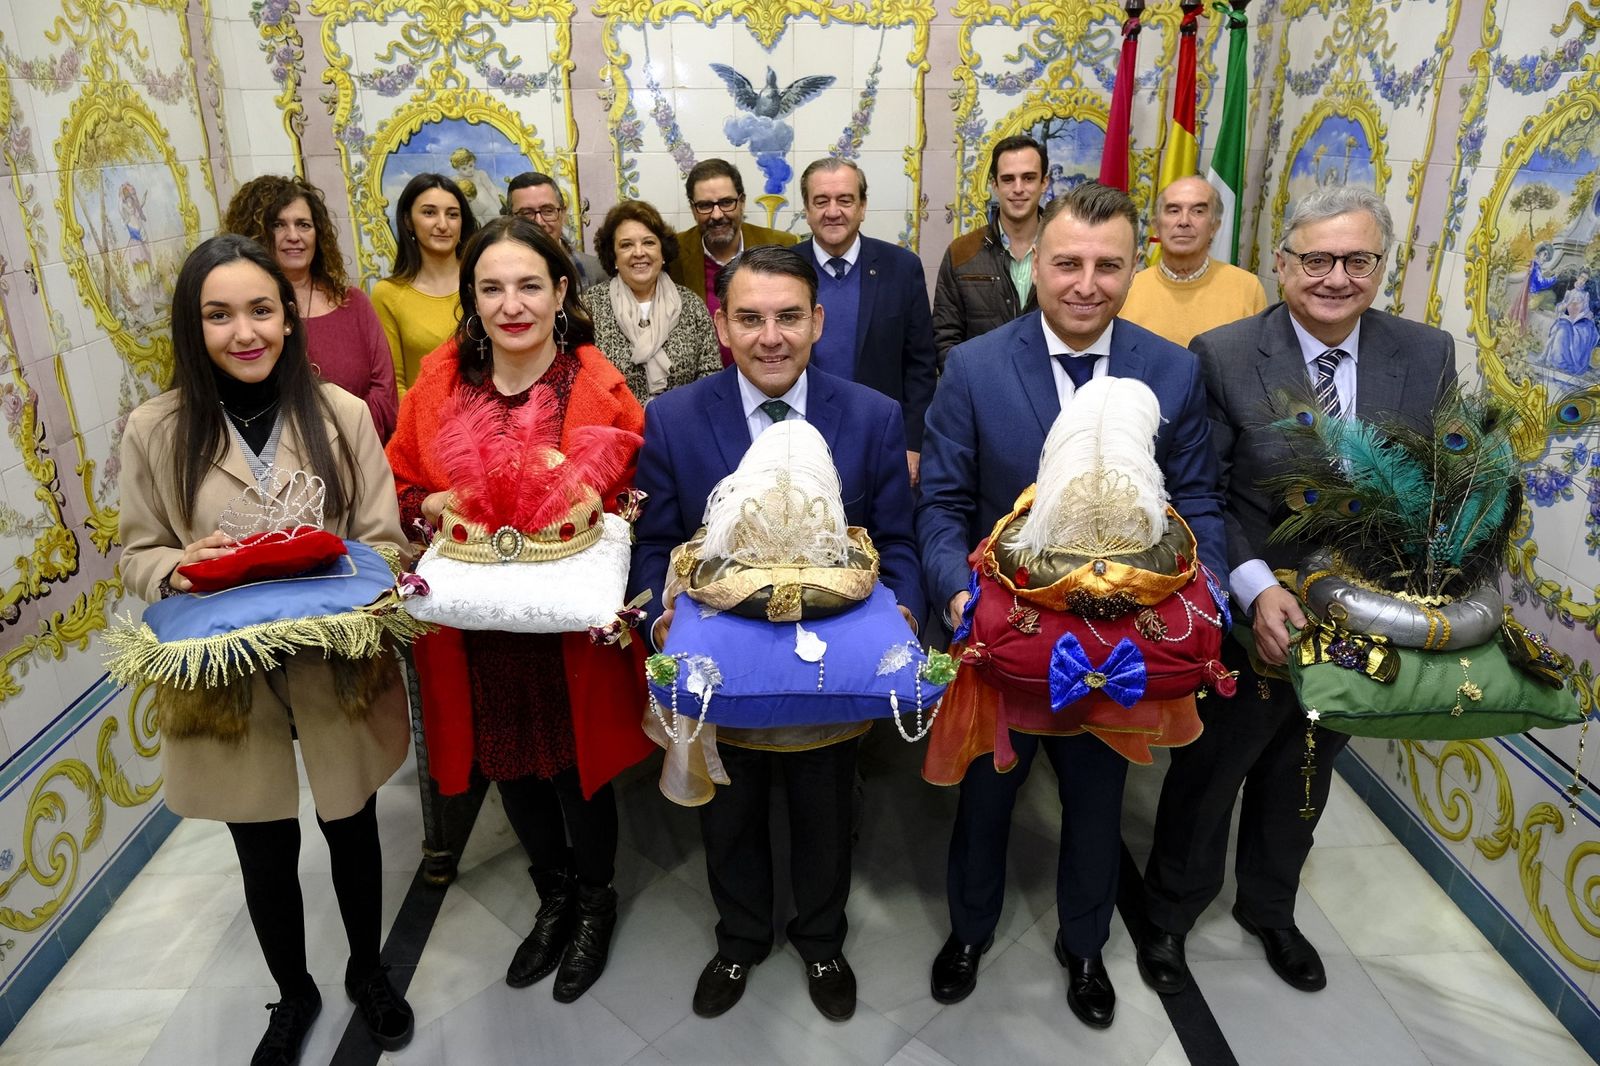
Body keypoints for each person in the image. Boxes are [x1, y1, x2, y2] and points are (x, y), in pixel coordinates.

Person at [917, 182, 1225, 1028]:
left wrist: (1205, 601)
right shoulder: (975, 368)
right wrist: (957, 596)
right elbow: (941, 504)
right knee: (986, 800)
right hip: (1005, 640)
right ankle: (970, 931)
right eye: (1067, 264)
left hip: (1123, 645)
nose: (1086, 284)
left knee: (1097, 806)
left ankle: (1085, 946)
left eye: (1107, 266)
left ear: (1135, 265)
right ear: (1037, 266)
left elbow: (1198, 499)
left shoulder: (1172, 369)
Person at [1139, 185, 1455, 999]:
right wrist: (1252, 591)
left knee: (1305, 772)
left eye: (1357, 260)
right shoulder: (1223, 354)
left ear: (1381, 267)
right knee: (1212, 772)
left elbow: (1439, 483)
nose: (1336, 278)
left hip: (1363, 623)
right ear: (1281, 265)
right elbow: (1199, 493)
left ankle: (1269, 909)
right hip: (1254, 615)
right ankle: (1170, 913)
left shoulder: (1426, 354)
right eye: (1316, 259)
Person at [118, 234, 414, 1064]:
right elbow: (137, 553)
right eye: (218, 315)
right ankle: (294, 992)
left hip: (334, 666)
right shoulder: (155, 429)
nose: (243, 332)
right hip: (227, 678)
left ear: (288, 316)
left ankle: (367, 971)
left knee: (351, 824)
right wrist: (181, 567)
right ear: (193, 326)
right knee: (262, 841)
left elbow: (384, 540)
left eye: (260, 309)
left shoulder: (340, 414)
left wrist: (336, 569)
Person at [628, 245, 923, 1022]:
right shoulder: (674, 418)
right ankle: (740, 938)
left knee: (827, 813)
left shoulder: (871, 415)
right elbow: (653, 542)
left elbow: (898, 539)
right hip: (723, 673)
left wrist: (903, 612)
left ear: (817, 320)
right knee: (730, 816)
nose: (771, 337)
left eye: (789, 316)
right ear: (722, 324)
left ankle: (821, 938)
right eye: (750, 318)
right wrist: (657, 613)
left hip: (832, 672)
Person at [385, 216, 653, 1004]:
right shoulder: (439, 387)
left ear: (561, 291)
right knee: (508, 764)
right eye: (492, 288)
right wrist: (432, 502)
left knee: (577, 770)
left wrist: (601, 505)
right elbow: (402, 486)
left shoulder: (597, 387)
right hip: (476, 624)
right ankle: (553, 896)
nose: (512, 305)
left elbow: (635, 494)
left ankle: (595, 901)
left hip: (566, 626)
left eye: (530, 285)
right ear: (471, 298)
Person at [795, 158, 937, 486]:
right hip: (800, 439)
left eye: (845, 200)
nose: (833, 211)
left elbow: (920, 365)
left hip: (881, 438)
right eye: (821, 201)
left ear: (862, 207)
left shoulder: (902, 268)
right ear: (807, 209)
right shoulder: (783, 267)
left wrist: (913, 442)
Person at [222, 175, 399, 439]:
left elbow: (385, 394)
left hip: (363, 448)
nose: (293, 236)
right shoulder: (243, 317)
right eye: (278, 225)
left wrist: (342, 440)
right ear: (254, 233)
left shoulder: (354, 303)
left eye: (303, 225)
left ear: (319, 233)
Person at [580, 199, 721, 403]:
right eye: (626, 245)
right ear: (613, 256)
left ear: (662, 252)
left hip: (682, 420)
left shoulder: (691, 305)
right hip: (613, 422)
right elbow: (582, 383)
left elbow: (711, 376)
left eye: (648, 242)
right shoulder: (589, 306)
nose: (639, 253)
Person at [664, 158, 799, 365]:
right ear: (693, 208)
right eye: (705, 205)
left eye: (726, 202)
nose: (717, 215)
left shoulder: (782, 245)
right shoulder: (674, 254)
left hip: (768, 370)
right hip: (700, 380)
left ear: (742, 202)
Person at [932, 135, 1047, 364]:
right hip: (980, 384)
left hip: (1049, 383)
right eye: (1008, 179)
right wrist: (974, 383)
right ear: (995, 185)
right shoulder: (961, 253)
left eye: (1028, 178)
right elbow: (945, 339)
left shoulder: (1066, 253)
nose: (1018, 188)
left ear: (1044, 183)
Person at [1121, 175, 1267, 347]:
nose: (1184, 221)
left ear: (1214, 227)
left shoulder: (1247, 288)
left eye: (1198, 211)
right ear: (1156, 226)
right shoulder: (1126, 289)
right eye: (1174, 211)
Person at [371, 173, 480, 390]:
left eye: (452, 214)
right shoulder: (388, 294)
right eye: (429, 213)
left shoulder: (482, 282)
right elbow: (394, 383)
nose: (443, 224)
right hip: (421, 410)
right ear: (408, 221)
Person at [506, 171, 605, 290]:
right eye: (527, 213)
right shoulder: (494, 270)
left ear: (563, 214)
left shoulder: (595, 272)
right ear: (510, 218)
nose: (539, 222)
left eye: (548, 211)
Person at [1544, 269, 1599, 374]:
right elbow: (1560, 308)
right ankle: (1559, 362)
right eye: (1581, 278)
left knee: (1583, 333)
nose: (1582, 281)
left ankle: (1574, 364)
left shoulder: (1585, 295)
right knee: (1563, 331)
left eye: (1585, 279)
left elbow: (1586, 310)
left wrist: (1585, 316)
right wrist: (1568, 303)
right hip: (1567, 319)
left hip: (1579, 321)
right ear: (1578, 277)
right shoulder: (1569, 293)